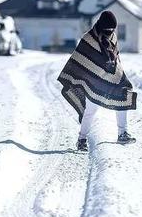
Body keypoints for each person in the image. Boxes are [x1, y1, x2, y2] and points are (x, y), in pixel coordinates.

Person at [57, 11, 137, 151]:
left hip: (112, 79)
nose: (110, 31)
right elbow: (80, 59)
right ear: (101, 26)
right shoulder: (88, 38)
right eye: (108, 29)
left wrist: (118, 74)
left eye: (112, 29)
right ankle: (82, 139)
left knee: (123, 97)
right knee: (90, 111)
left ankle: (122, 133)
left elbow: (116, 58)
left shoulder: (113, 36)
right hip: (94, 81)